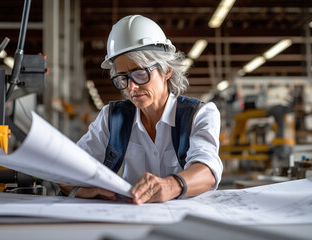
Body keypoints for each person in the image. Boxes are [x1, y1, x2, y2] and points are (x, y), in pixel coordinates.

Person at [59, 15, 223, 205]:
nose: (132, 87)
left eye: (140, 73)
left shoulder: (199, 115)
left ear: (167, 70)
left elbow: (208, 169)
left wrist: (171, 185)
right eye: (123, 77)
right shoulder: (112, 119)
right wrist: (80, 191)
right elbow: (64, 168)